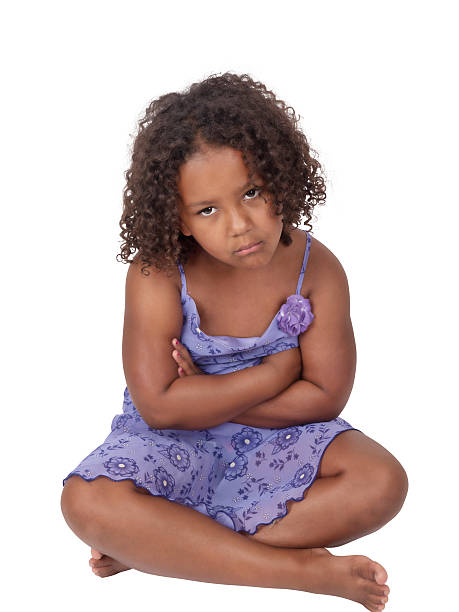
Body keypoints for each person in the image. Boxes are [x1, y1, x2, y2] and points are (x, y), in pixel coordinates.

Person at [60, 72, 408, 610]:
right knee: (86, 502)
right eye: (208, 210)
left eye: (252, 192)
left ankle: (163, 546)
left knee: (382, 481)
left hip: (283, 436)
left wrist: (207, 395)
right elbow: (159, 407)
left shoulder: (317, 269)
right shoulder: (157, 273)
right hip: (169, 443)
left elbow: (324, 398)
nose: (240, 224)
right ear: (177, 218)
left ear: (280, 177)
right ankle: (296, 571)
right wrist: (271, 375)